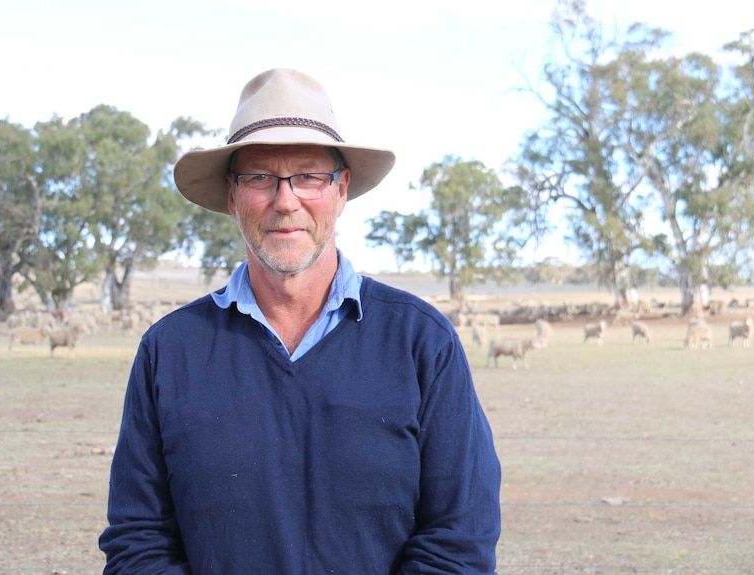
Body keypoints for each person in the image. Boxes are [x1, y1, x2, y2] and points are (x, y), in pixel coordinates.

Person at [99, 68, 501, 574]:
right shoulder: (170, 351)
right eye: (260, 177)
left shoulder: (421, 343)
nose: (285, 199)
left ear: (341, 191)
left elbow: (460, 539)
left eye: (309, 175)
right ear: (231, 196)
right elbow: (139, 542)